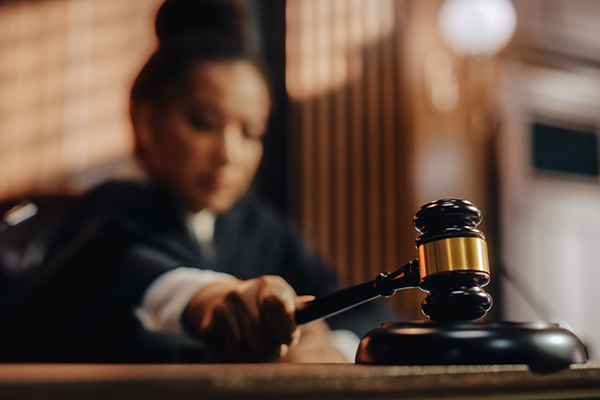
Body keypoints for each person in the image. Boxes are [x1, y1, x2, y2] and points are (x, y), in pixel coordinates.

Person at [0, 0, 395, 363]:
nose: (228, 153)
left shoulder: (261, 228)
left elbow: (367, 310)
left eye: (250, 132)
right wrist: (215, 301)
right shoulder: (107, 213)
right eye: (204, 123)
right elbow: (137, 277)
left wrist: (334, 348)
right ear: (147, 121)